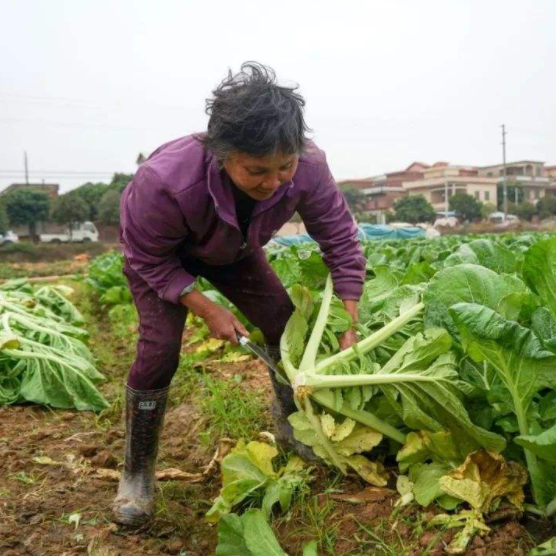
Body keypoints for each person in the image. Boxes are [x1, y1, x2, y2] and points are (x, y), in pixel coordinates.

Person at [113, 62, 365, 527]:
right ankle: (137, 474)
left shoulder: (308, 166)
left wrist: (350, 318)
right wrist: (206, 307)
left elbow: (340, 239)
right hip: (162, 260)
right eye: (256, 171)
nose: (274, 182)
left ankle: (291, 427)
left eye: (284, 166)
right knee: (159, 351)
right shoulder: (163, 181)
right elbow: (146, 257)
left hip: (235, 250)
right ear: (222, 154)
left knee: (284, 322)